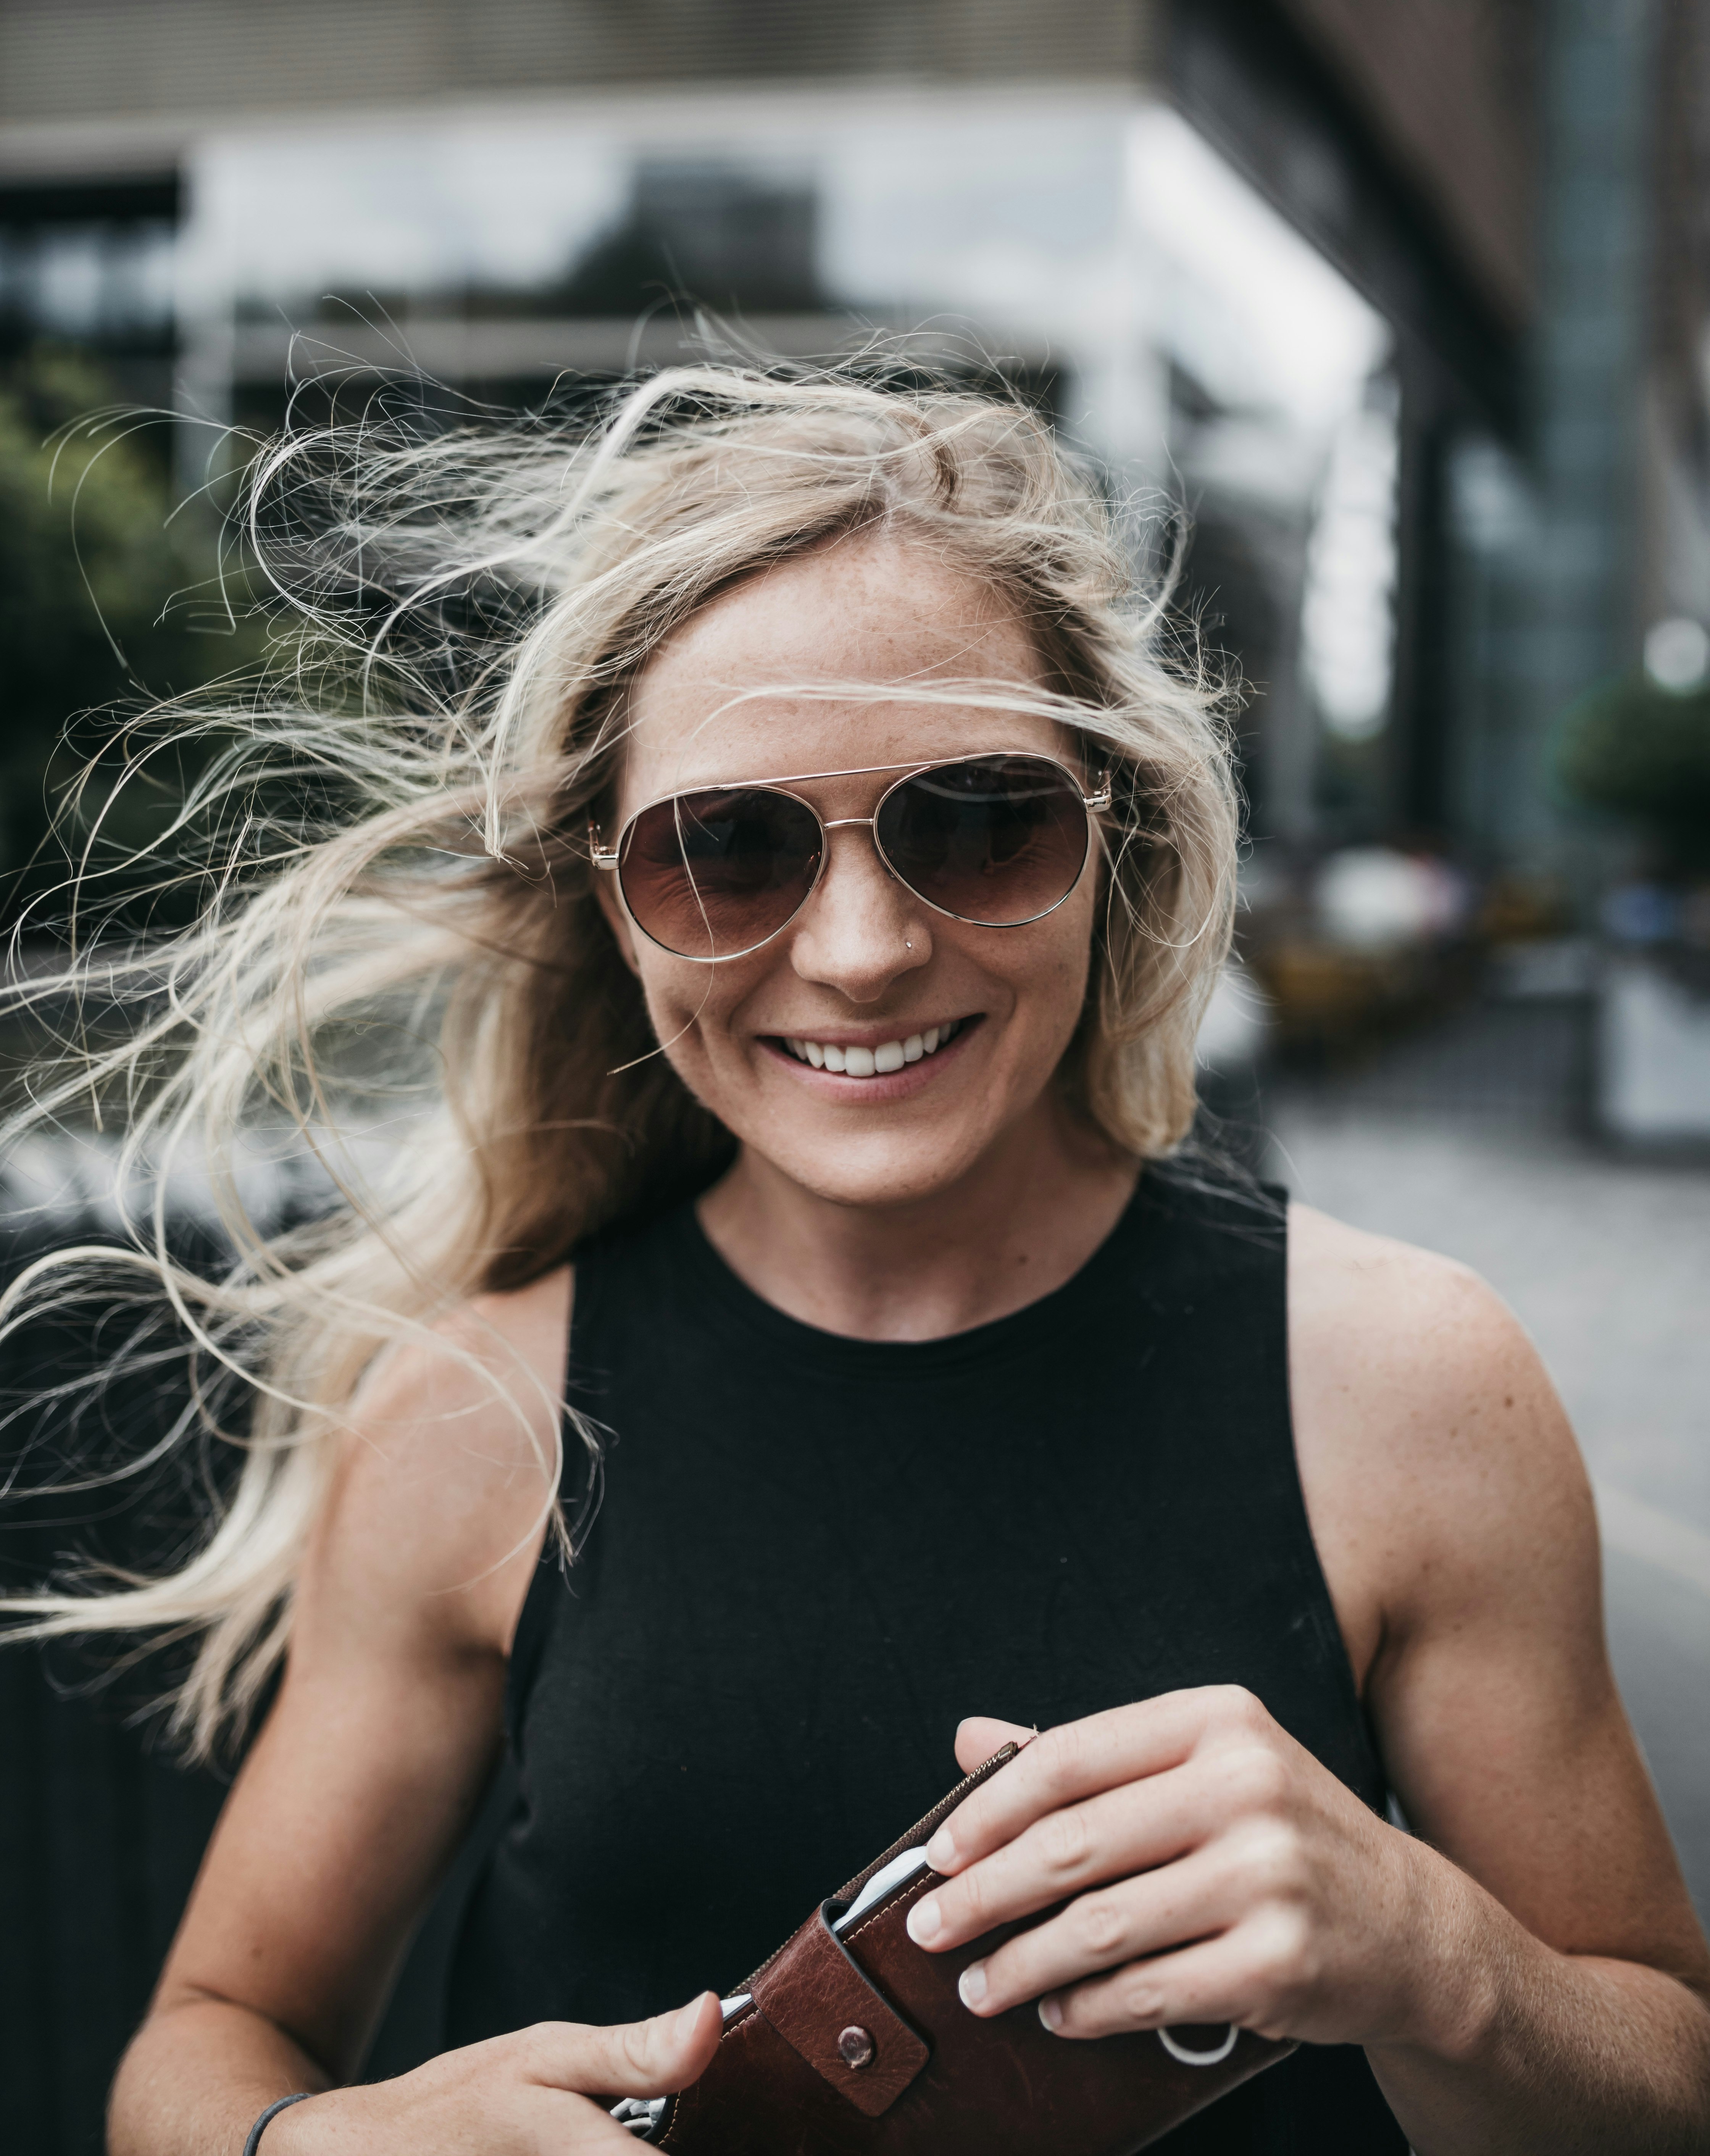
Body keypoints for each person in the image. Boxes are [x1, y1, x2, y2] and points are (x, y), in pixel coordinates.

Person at [8, 369, 1706, 2156]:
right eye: (726, 851)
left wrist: (1437, 1958)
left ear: (1111, 833)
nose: (866, 948)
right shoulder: (474, 1408)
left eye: (978, 823)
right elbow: (202, 2046)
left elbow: (1664, 2083)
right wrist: (318, 2144)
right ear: (612, 898)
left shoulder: (1407, 1381)